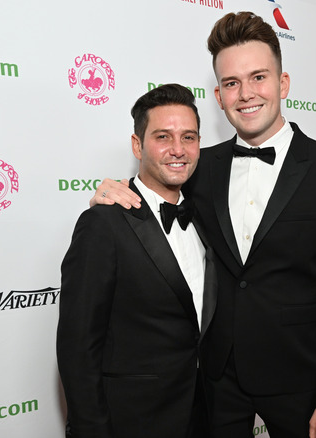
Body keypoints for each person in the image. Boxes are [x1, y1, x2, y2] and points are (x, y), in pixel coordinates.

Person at [91, 12, 316, 438]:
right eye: (232, 83)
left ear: (283, 83)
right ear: (218, 96)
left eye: (258, 77)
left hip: (299, 379)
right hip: (216, 379)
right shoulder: (201, 166)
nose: (246, 94)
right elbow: (157, 189)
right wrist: (112, 193)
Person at [57, 83, 216, 438]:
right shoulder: (103, 223)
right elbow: (77, 348)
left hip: (203, 417)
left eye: (189, 137)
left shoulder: (206, 216)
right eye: (163, 136)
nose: (178, 150)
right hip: (133, 422)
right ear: (137, 145)